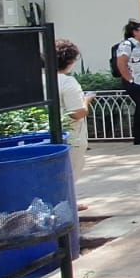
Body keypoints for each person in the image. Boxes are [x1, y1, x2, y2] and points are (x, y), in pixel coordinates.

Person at [54, 39, 91, 209]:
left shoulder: (39, 79)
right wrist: (87, 100)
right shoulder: (68, 83)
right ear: (70, 61)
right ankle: (66, 203)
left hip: (46, 132)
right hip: (71, 135)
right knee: (70, 169)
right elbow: (77, 112)